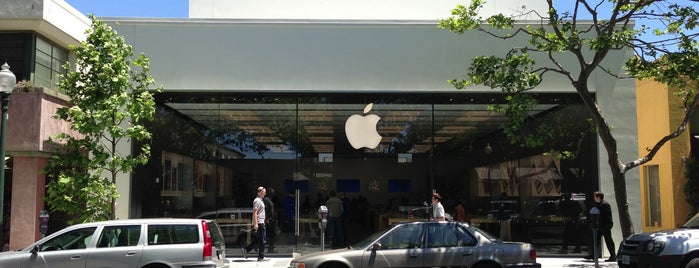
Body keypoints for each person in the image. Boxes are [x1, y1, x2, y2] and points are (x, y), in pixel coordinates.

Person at [586, 191, 616, 262]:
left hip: (605, 226)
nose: (594, 198)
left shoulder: (604, 205)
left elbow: (607, 216)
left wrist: (608, 225)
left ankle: (613, 256)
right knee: (595, 240)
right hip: (599, 226)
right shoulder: (597, 204)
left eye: (595, 197)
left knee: (608, 241)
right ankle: (593, 255)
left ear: (598, 197)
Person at [243, 187, 267, 261]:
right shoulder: (257, 201)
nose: (265, 193)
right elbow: (255, 212)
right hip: (259, 222)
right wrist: (256, 224)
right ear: (259, 192)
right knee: (262, 239)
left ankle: (246, 250)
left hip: (261, 222)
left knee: (259, 239)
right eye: (263, 192)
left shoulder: (260, 200)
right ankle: (261, 256)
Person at [263, 187, 276, 252]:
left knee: (272, 234)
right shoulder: (266, 200)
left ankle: (271, 247)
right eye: (272, 192)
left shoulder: (270, 200)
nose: (273, 193)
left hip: (272, 219)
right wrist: (266, 219)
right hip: (268, 220)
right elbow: (264, 210)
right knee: (269, 234)